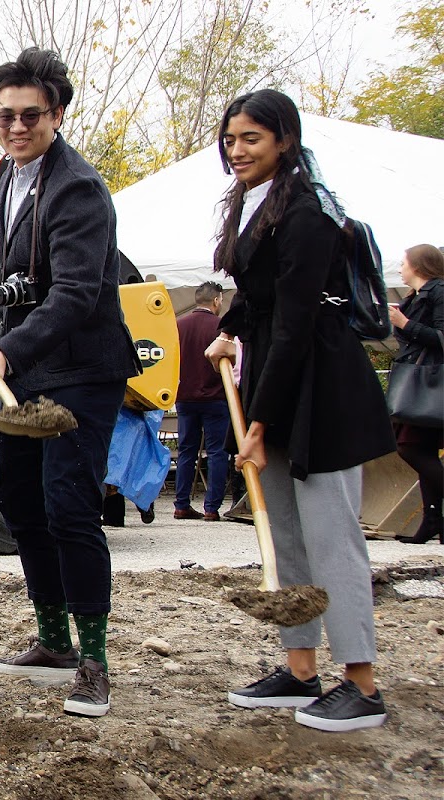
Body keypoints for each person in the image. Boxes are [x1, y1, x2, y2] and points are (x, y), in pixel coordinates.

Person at [0, 48, 140, 718]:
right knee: (19, 499)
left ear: (58, 114)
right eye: (5, 115)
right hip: (33, 368)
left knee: (70, 507)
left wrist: (7, 351)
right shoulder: (8, 173)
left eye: (30, 116)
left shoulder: (77, 188)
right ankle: (53, 642)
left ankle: (94, 661)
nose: (15, 127)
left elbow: (76, 295)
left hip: (80, 370)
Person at [204, 89, 395, 732]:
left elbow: (295, 321)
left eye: (251, 139)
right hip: (277, 380)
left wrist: (256, 424)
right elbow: (259, 299)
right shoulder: (250, 206)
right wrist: (230, 328)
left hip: (323, 389)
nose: (237, 151)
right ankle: (300, 669)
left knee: (331, 538)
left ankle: (362, 685)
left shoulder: (308, 212)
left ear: (284, 140)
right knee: (283, 530)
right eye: (230, 140)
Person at [388, 244, 444, 544]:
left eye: (404, 262)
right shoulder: (416, 296)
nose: (400, 268)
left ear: (419, 266)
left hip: (429, 383)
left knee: (410, 447)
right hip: (419, 382)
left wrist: (405, 324)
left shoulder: (438, 292)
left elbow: (440, 337)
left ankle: (434, 519)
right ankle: (433, 520)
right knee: (420, 450)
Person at [173, 281, 231, 521]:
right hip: (215, 397)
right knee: (217, 452)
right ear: (217, 300)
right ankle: (211, 508)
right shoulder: (222, 327)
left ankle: (181, 504)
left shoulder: (178, 325)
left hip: (185, 397)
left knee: (187, 451)